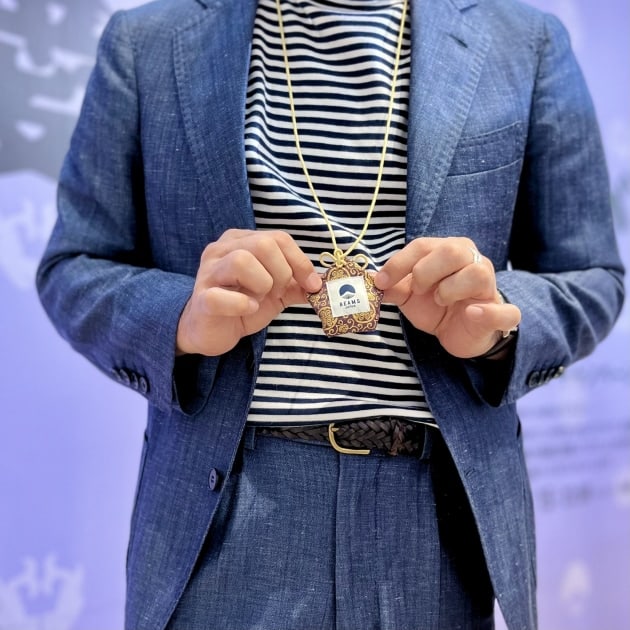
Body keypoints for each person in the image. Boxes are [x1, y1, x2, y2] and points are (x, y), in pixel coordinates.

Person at [36, 0, 624, 628]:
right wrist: (180, 319)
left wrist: (498, 324)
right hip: (227, 511)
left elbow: (592, 276)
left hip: (438, 517)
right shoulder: (148, 42)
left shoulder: (525, 42)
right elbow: (75, 264)